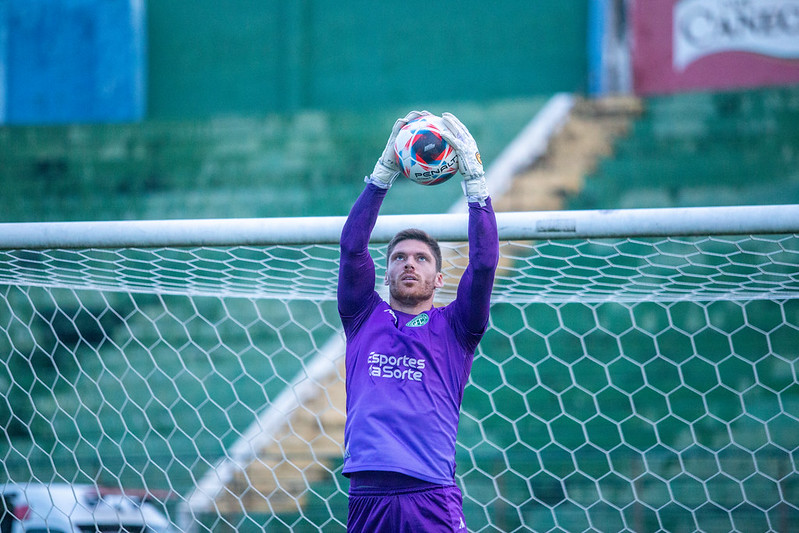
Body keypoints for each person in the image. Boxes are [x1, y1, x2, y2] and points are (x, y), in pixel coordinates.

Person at [337, 110, 499, 532]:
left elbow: (483, 265)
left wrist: (476, 185)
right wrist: (382, 174)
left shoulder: (458, 328)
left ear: (439, 278)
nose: (409, 264)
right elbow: (352, 247)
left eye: (421, 259)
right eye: (399, 258)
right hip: (366, 497)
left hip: (429, 493)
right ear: (385, 272)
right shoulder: (361, 316)